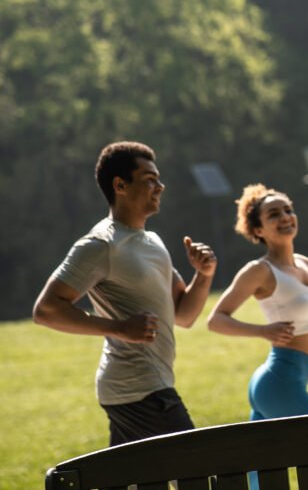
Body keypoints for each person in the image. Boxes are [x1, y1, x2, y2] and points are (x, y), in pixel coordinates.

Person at [32, 141, 217, 446]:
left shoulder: (153, 241)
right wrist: (119, 328)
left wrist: (204, 275)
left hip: (138, 387)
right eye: (149, 179)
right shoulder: (100, 245)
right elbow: (47, 310)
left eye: (158, 178)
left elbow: (184, 314)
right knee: (195, 470)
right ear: (120, 185)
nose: (160, 186)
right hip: (141, 388)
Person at [207, 184, 308, 489]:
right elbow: (216, 320)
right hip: (278, 379)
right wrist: (262, 331)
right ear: (258, 229)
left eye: (288, 210)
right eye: (273, 214)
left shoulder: (304, 263)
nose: (285, 217)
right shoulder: (259, 271)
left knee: (258, 473)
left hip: (287, 378)